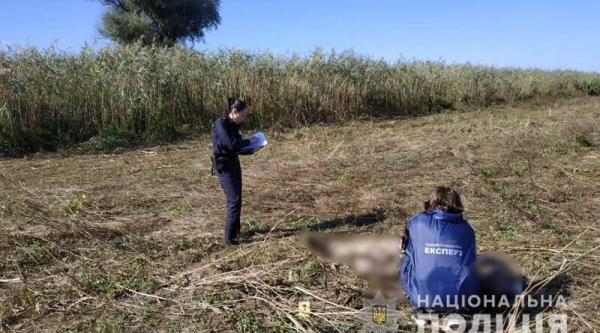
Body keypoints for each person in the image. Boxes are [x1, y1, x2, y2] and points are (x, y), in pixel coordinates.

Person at [399, 187, 479, 323]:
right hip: (458, 298)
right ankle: (462, 311)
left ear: (432, 202)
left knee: (405, 258)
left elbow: (405, 246)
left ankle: (418, 309)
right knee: (475, 265)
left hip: (422, 295)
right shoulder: (467, 228)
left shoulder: (416, 221)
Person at [212, 98, 262, 245]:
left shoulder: (233, 125)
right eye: (243, 115)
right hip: (224, 167)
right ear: (234, 112)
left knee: (237, 199)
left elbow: (238, 147)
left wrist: (252, 150)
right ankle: (228, 239)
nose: (243, 119)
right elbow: (232, 144)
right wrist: (251, 141)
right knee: (233, 200)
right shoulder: (220, 124)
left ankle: (236, 232)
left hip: (233, 163)